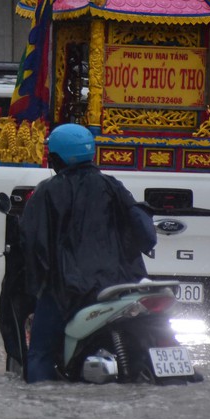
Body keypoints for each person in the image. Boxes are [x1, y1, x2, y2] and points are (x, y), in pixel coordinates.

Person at [19, 123, 156, 383]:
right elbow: (146, 233)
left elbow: (33, 246)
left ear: (56, 157)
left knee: (39, 354)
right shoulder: (113, 186)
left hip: (69, 290)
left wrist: (37, 287)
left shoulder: (46, 193)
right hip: (122, 285)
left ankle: (38, 407)